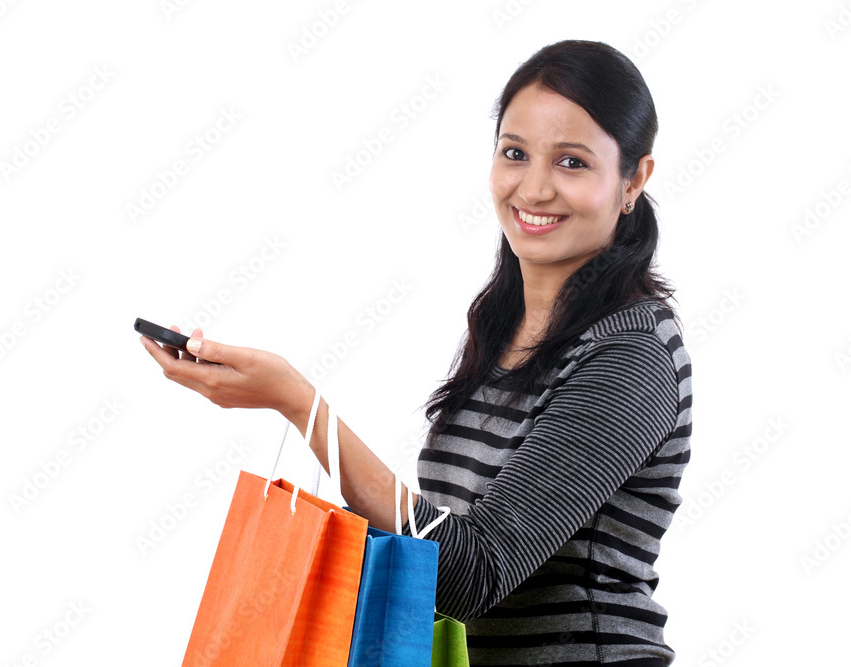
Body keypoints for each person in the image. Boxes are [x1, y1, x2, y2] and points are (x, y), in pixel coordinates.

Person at [141, 39, 692, 666]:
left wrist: (300, 405)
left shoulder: (630, 356)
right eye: (515, 153)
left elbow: (474, 574)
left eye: (572, 163)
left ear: (633, 180)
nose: (534, 188)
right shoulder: (507, 325)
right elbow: (438, 543)